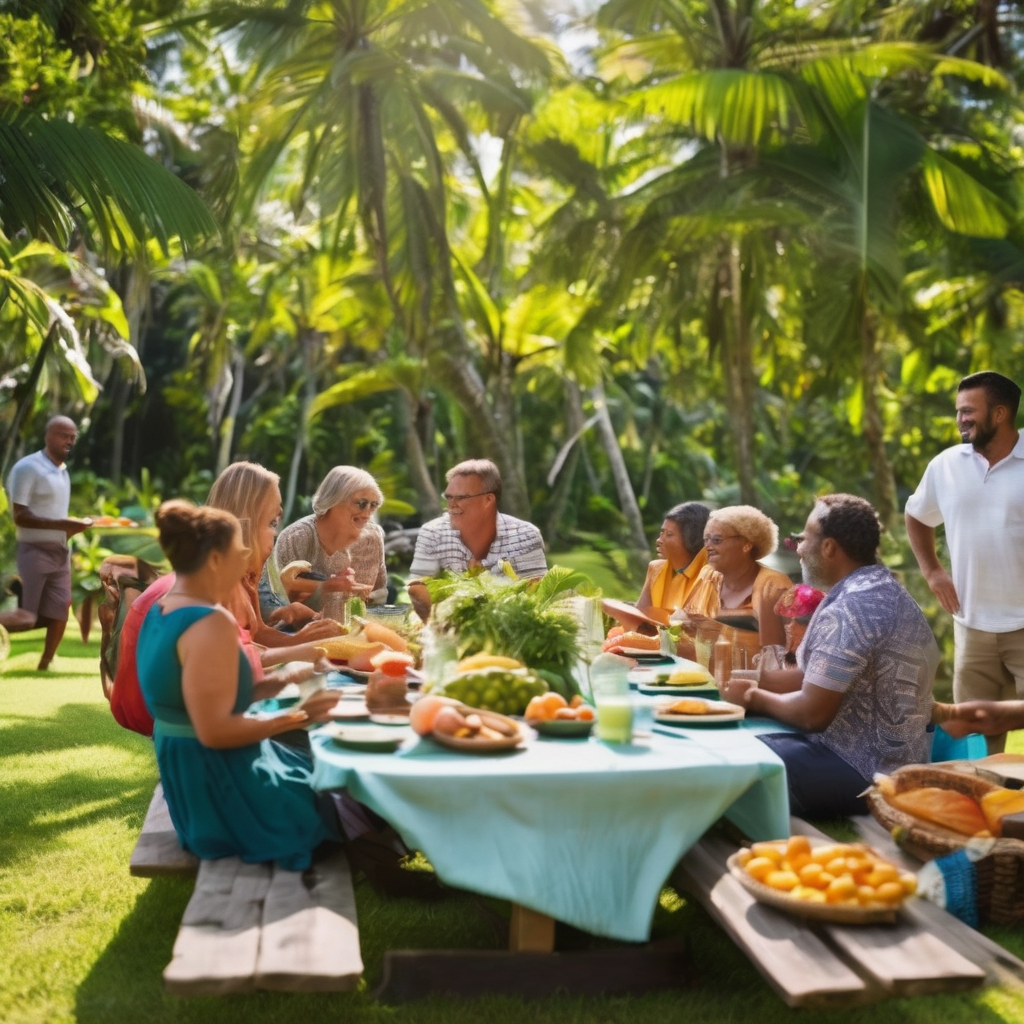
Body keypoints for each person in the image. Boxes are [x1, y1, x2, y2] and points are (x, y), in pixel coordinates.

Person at [137, 500, 340, 869]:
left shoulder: (163, 607)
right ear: (216, 559)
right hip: (218, 778)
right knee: (336, 797)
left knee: (325, 775)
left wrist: (286, 678)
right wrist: (300, 716)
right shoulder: (207, 621)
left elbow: (204, 696)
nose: (247, 557)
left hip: (190, 770)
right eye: (238, 550)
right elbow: (215, 731)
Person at [721, 494, 938, 818]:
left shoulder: (852, 608)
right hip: (897, 765)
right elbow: (817, 675)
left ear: (829, 548)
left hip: (865, 773)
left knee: (724, 754)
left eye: (804, 538)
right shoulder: (880, 589)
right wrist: (749, 679)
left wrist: (753, 696)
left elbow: (812, 714)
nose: (798, 548)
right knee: (734, 732)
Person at [905, 370, 1024, 754]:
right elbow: (916, 515)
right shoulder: (946, 465)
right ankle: (986, 793)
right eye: (959, 411)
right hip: (972, 626)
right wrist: (933, 571)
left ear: (1000, 413)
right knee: (975, 742)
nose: (960, 419)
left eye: (969, 411)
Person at [206, 462, 343, 648]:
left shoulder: (246, 576)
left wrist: (299, 634)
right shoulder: (217, 586)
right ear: (246, 525)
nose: (275, 536)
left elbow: (257, 632)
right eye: (272, 523)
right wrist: (300, 642)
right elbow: (244, 654)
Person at [1, 416, 93, 670]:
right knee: (27, 617)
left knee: (60, 612)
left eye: (73, 437)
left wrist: (71, 528)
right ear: (48, 435)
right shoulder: (28, 468)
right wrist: (64, 524)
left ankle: (44, 665)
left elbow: (53, 514)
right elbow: (20, 516)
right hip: (33, 551)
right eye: (64, 435)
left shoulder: (62, 471)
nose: (70, 441)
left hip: (60, 552)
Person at [407, 459, 546, 620]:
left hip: (514, 623)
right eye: (448, 497)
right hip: (446, 624)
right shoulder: (432, 533)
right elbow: (416, 587)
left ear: (488, 500)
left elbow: (538, 592)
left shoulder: (526, 534)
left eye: (461, 497)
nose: (452, 504)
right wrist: (438, 625)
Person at [675, 505, 791, 671]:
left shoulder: (774, 585)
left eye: (716, 540)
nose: (707, 547)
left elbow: (778, 655)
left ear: (746, 545)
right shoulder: (708, 577)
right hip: (701, 678)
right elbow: (685, 632)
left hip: (757, 683)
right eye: (706, 540)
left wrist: (713, 628)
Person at [274, 466, 388, 619]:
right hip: (300, 628)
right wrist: (328, 587)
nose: (367, 513)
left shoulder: (372, 537)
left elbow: (379, 594)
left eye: (373, 505)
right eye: (361, 503)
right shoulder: (296, 537)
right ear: (334, 500)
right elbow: (279, 600)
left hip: (357, 628)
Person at [635, 502, 711, 622]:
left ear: (691, 539)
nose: (659, 540)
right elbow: (639, 616)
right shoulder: (655, 569)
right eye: (662, 533)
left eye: (669, 534)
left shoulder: (711, 575)